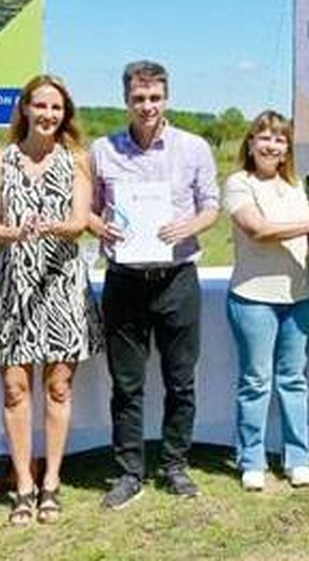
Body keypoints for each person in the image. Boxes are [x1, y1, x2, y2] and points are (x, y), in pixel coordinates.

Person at [89, 60, 219, 509]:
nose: (147, 106)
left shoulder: (194, 147)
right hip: (124, 280)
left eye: (155, 97)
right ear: (126, 99)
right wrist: (99, 227)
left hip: (177, 277)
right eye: (139, 98)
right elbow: (87, 209)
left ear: (167, 98)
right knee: (127, 384)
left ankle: (175, 465)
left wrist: (188, 227)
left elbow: (211, 206)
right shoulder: (102, 150)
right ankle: (129, 473)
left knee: (180, 380)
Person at [0, 74, 102, 523]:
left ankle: (52, 482)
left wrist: (49, 227)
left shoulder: (78, 161)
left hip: (62, 286)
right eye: (40, 106)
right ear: (25, 108)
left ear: (65, 114)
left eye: (56, 108)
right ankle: (24, 485)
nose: (48, 115)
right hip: (12, 286)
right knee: (14, 389)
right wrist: (15, 232)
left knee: (58, 386)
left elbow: (80, 220)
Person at [225, 111, 309, 492]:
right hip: (253, 298)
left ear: (287, 148)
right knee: (256, 382)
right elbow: (258, 230)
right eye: (264, 137)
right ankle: (252, 459)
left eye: (279, 139)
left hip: (300, 297)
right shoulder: (239, 183)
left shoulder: (294, 187)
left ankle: (298, 458)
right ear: (251, 143)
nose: (271, 145)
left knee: (294, 381)